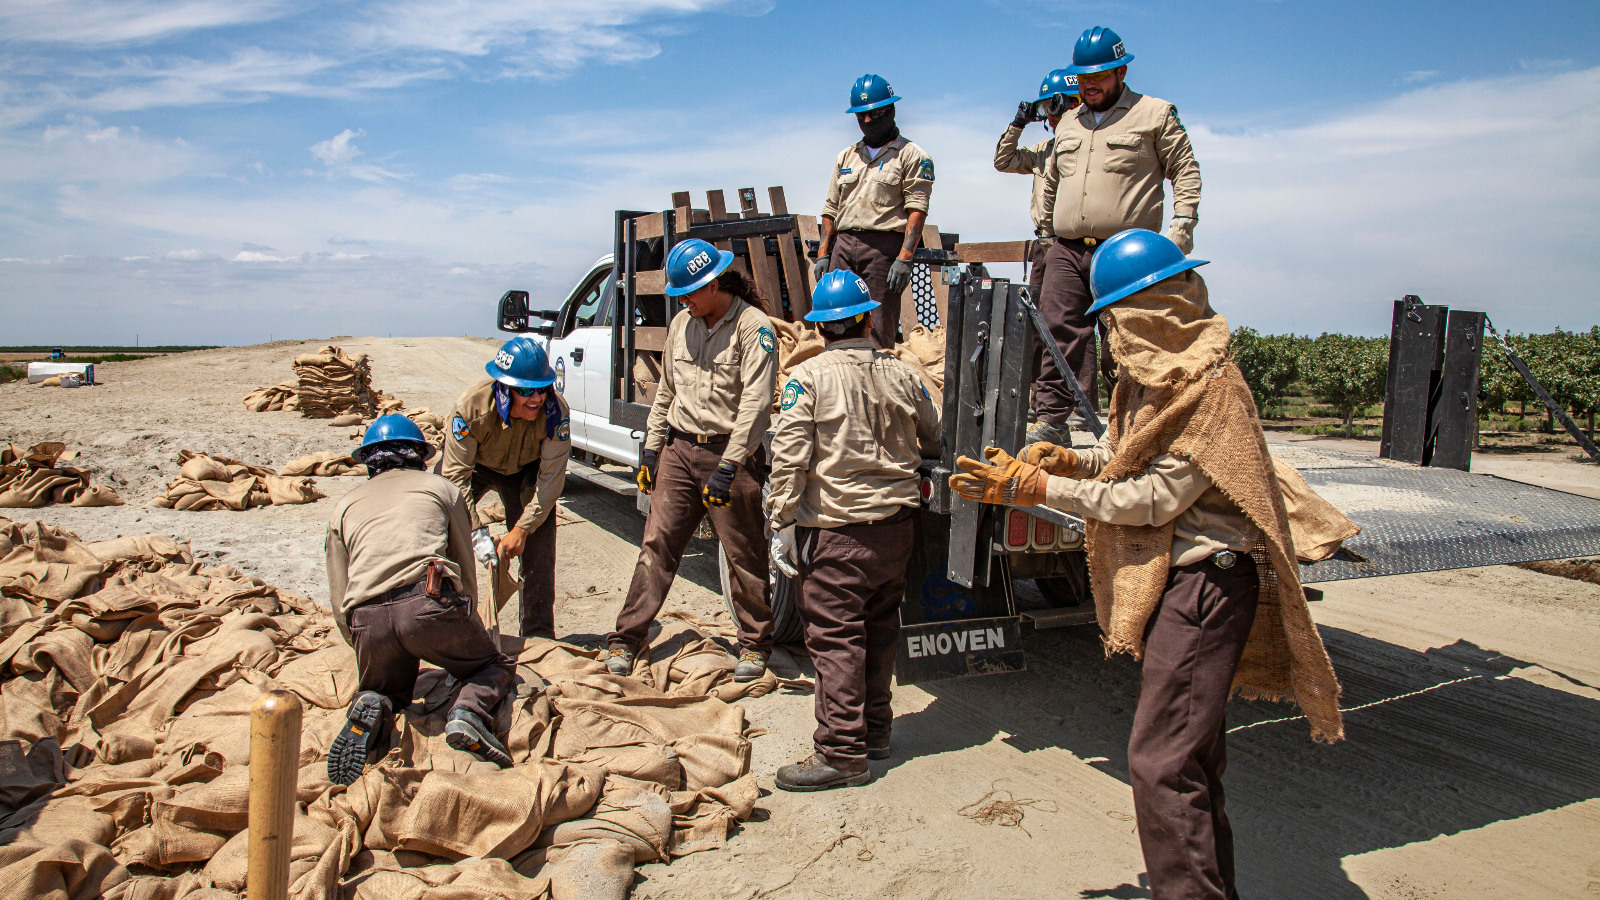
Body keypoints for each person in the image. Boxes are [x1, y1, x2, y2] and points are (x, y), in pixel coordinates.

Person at [950, 230, 1344, 899]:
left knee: (1162, 764)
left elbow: (1153, 497)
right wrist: (1073, 461)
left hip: (1208, 586)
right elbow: (1131, 455)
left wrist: (1039, 489)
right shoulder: (1156, 380)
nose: (1111, 334)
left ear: (1155, 307)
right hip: (1185, 582)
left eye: (1117, 317)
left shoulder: (1208, 388)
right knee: (1190, 758)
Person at [766, 270, 940, 791]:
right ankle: (876, 733)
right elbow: (934, 433)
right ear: (865, 319)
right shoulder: (905, 374)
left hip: (837, 532)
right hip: (895, 529)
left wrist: (780, 523)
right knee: (881, 629)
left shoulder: (808, 379)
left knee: (836, 639)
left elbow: (789, 457)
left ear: (820, 328)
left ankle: (842, 753)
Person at [606, 238, 779, 681]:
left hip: (729, 455)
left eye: (690, 293)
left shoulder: (753, 327)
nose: (684, 301)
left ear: (716, 282)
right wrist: (651, 447)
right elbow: (667, 390)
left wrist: (730, 466)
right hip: (679, 451)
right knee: (657, 545)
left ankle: (755, 647)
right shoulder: (682, 323)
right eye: (680, 294)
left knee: (743, 553)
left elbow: (757, 404)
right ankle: (626, 640)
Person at [1030, 26, 1202, 448]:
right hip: (1068, 250)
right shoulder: (1069, 121)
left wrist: (1180, 231)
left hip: (1126, 252)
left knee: (1127, 338)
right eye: (1084, 79)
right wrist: (1049, 232)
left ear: (1121, 71)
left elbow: (1186, 170)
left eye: (1100, 77)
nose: (1091, 86)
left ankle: (1132, 422)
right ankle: (1053, 421)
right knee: (1056, 333)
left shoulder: (1154, 114)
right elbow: (1051, 180)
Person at [325, 415, 516, 785]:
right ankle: (467, 713)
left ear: (370, 461)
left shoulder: (344, 506)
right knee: (491, 667)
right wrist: (467, 618)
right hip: (427, 603)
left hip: (368, 618)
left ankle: (375, 703)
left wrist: (359, 641)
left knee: (389, 689)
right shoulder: (441, 489)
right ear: (418, 456)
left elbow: (339, 591)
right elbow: (463, 562)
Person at [439, 336, 570, 640]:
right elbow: (455, 480)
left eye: (542, 388)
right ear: (503, 388)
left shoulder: (555, 413)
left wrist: (522, 530)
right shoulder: (470, 409)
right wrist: (477, 536)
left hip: (524, 469)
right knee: (441, 519)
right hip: (475, 466)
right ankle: (447, 628)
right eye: (525, 391)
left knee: (538, 545)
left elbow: (551, 481)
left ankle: (538, 637)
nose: (536, 398)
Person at [814, 73, 935, 350]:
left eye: (875, 113)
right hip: (842, 247)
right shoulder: (846, 156)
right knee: (835, 320)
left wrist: (904, 259)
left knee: (878, 327)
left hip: (882, 250)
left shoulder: (912, 155)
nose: (867, 121)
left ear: (891, 110)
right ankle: (839, 381)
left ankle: (877, 386)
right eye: (861, 116)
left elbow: (917, 209)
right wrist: (823, 254)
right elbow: (830, 209)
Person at [994, 68, 1081, 410]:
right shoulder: (1044, 148)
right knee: (1035, 320)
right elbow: (1003, 161)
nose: (1052, 116)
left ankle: (1077, 402)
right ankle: (1036, 400)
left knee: (1074, 325)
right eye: (1046, 110)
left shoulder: (1086, 146)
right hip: (1045, 245)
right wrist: (1019, 122)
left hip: (1073, 240)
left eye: (1055, 107)